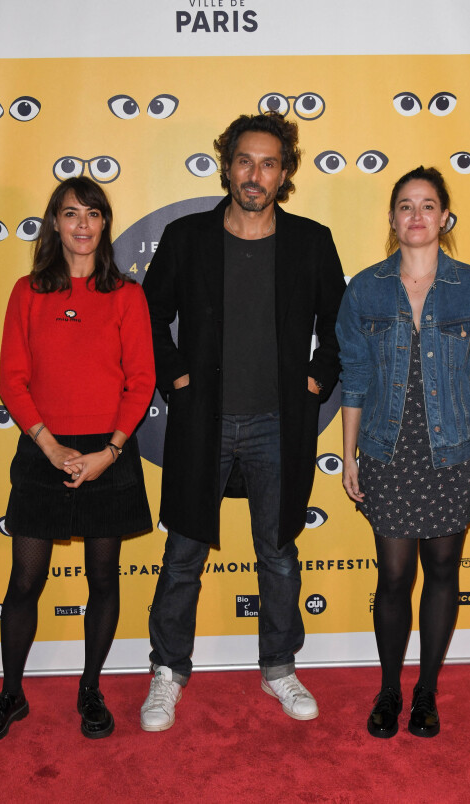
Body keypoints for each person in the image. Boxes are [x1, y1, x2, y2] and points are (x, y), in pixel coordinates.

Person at [139, 112, 346, 731]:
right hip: (202, 421)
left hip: (279, 424)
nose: (255, 175)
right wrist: (176, 378)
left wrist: (316, 381)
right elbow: (147, 317)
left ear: (285, 174)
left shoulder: (311, 240)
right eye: (245, 161)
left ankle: (279, 666)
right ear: (226, 164)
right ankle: (168, 671)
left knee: (278, 553)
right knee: (182, 552)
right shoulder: (186, 238)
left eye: (269, 163)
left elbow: (339, 328)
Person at [0, 177, 155, 746]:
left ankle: (91, 688)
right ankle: (11, 694)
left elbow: (141, 379)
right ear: (54, 222)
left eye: (93, 214)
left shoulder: (127, 295)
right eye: (70, 213)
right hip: (41, 448)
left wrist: (109, 453)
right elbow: (12, 379)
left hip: (110, 451)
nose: (82, 225)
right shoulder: (27, 292)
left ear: (104, 223)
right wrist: (50, 447)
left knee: (104, 578)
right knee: (24, 581)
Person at [336, 166, 470, 738]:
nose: (417, 215)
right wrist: (349, 456)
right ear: (392, 218)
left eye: (428, 205)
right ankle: (389, 689)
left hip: (456, 451)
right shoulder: (364, 288)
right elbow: (355, 377)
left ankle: (427, 692)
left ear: (445, 217)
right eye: (406, 206)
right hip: (388, 450)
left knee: (441, 571)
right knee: (393, 577)